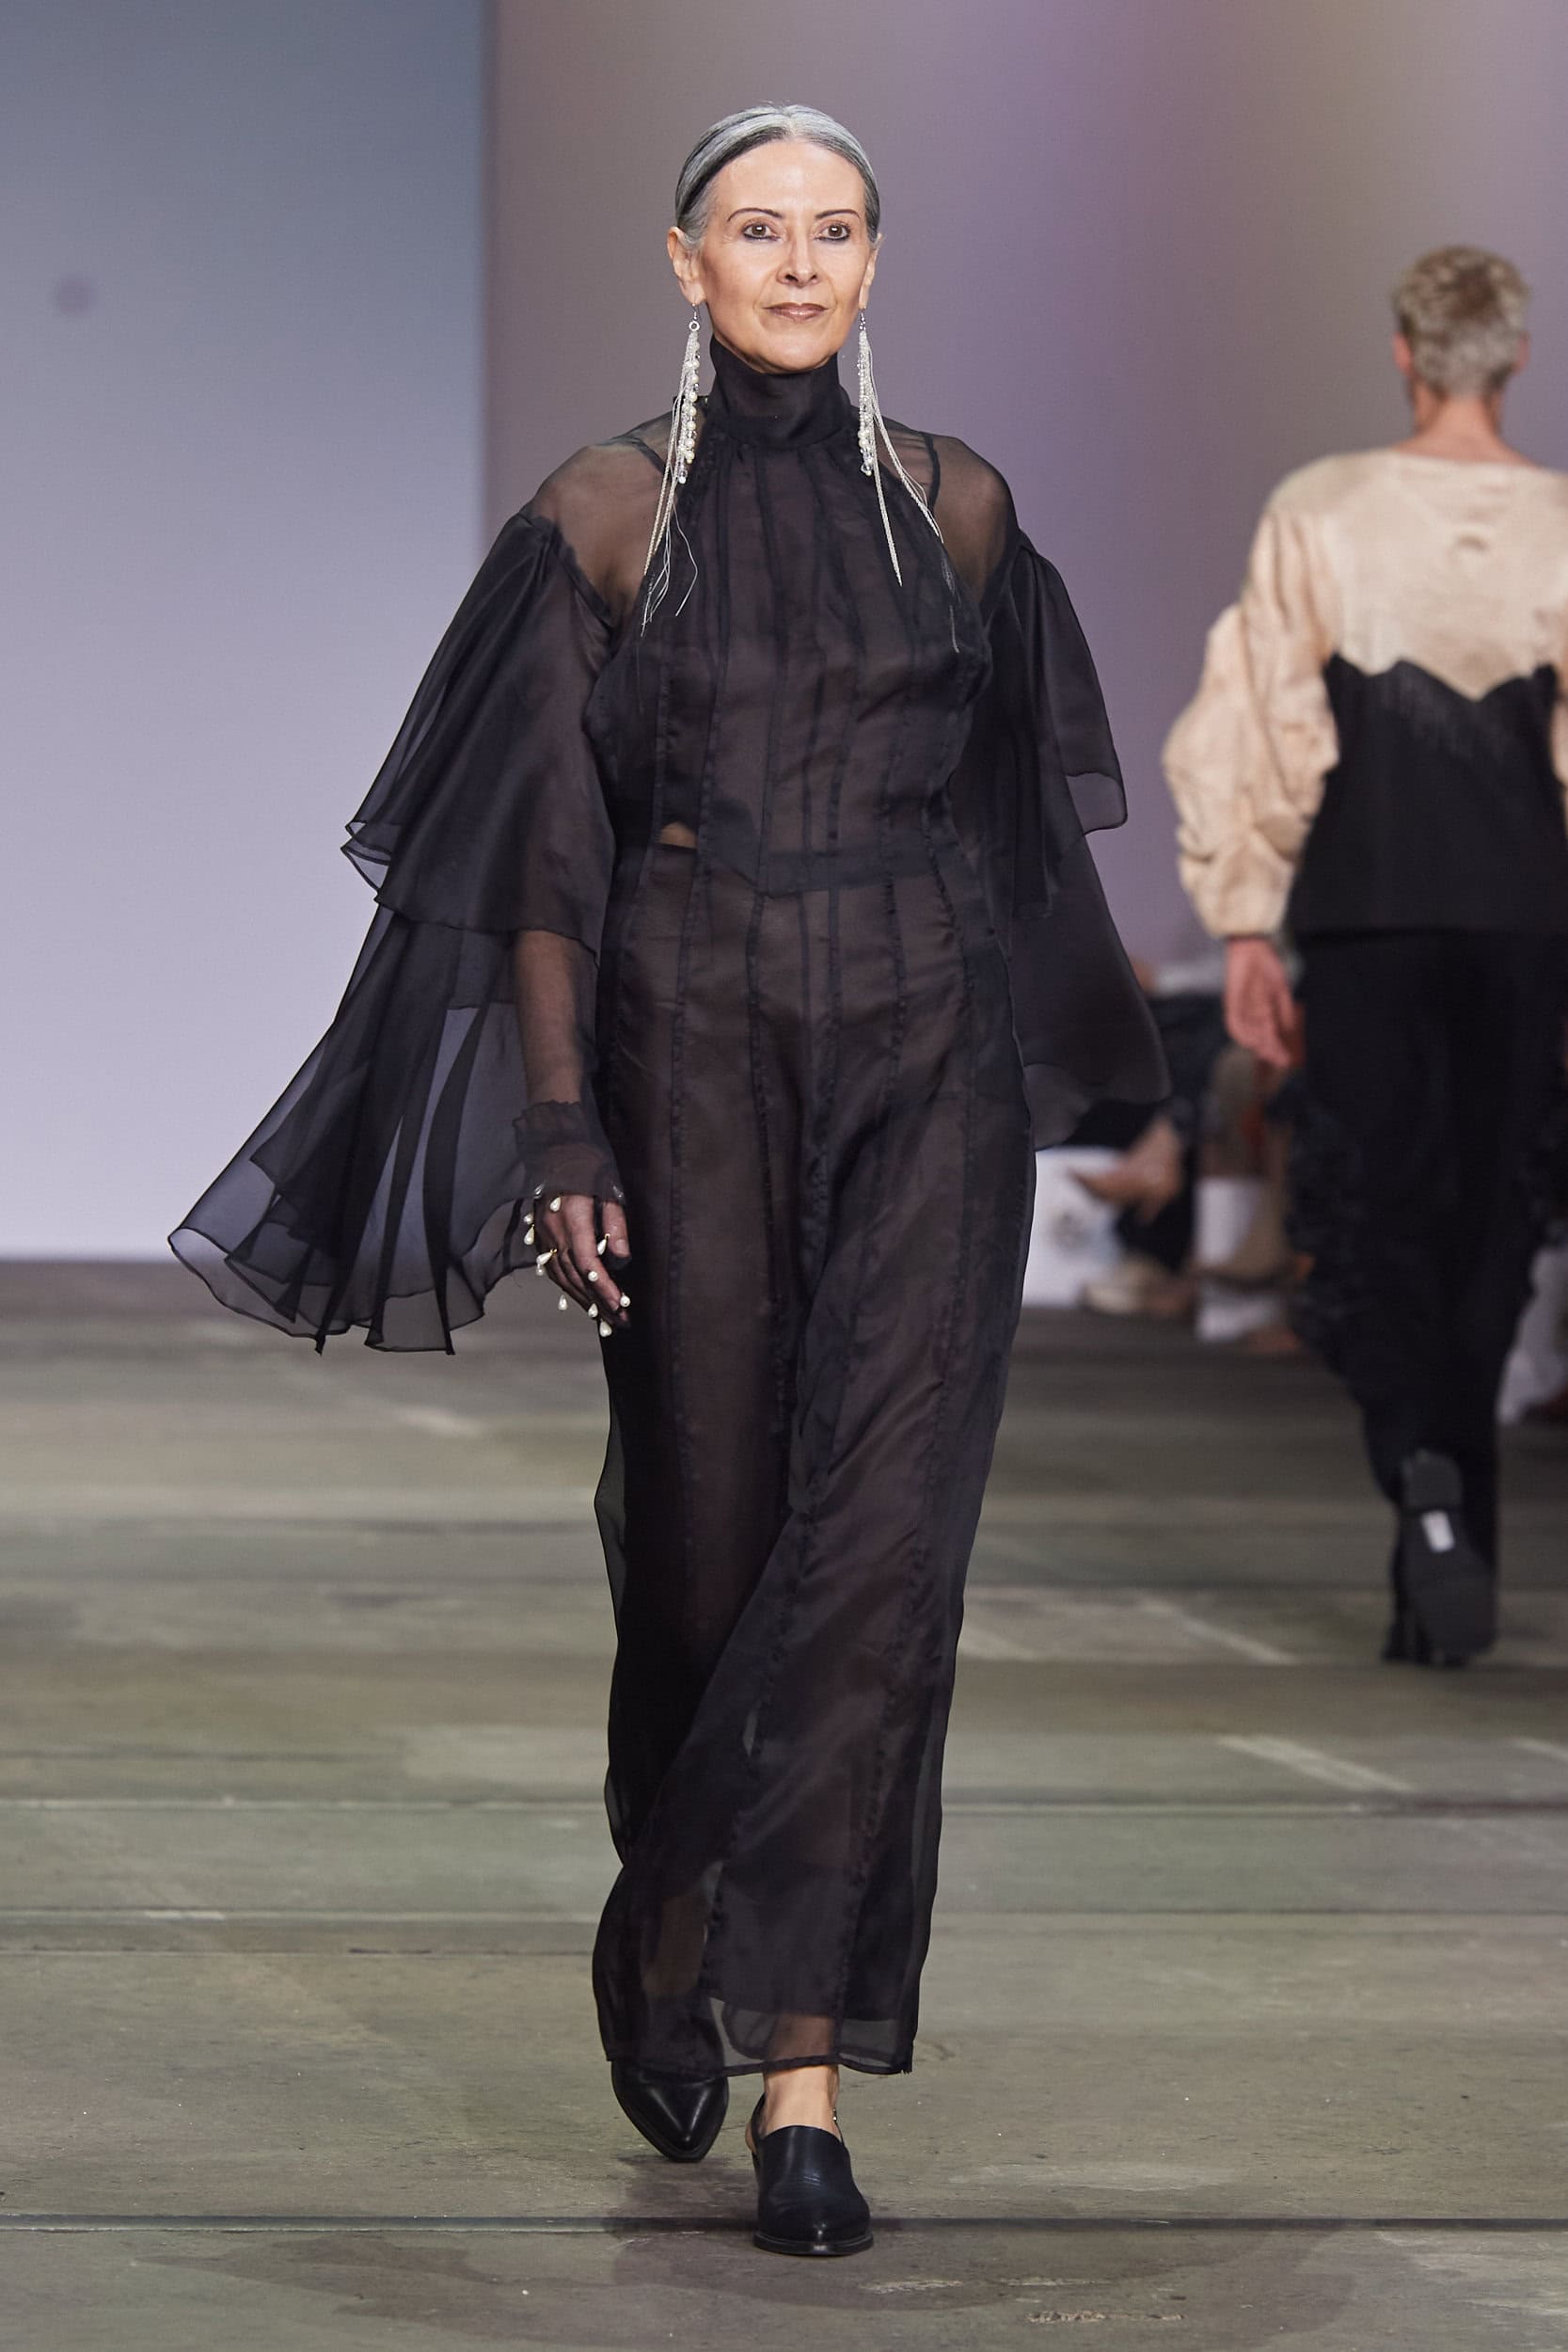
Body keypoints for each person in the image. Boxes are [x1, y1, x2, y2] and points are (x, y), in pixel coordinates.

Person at [172, 104, 1164, 2253]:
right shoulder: (604, 515)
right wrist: (560, 1128)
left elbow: (1014, 825)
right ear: (685, 261)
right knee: (713, 1563)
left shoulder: (957, 508)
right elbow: (543, 856)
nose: (798, 265)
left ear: (875, 263)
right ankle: (667, 1923)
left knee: (882, 1561)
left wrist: (1079, 1065)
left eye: (835, 231)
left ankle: (805, 2075)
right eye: (758, 230)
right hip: (690, 1045)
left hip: (925, 1053)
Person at [1164, 246, 1568, 1666]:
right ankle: (1454, 1553)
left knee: (1379, 1215)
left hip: (1367, 907)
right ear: (1515, 359)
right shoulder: (1562, 526)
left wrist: (1243, 918)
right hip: (1526, 919)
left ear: (1405, 353)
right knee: (1492, 1227)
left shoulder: (1323, 509)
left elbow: (1263, 720)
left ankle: (1424, 1481)